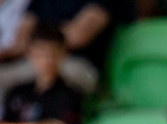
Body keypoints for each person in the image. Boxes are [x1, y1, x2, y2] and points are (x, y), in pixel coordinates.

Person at [0, 0, 131, 96]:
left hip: (77, 63)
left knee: (50, 74)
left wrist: (38, 38)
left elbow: (78, 36)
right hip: (32, 61)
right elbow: (21, 37)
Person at [0, 23, 84, 124]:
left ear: (63, 53)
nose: (46, 60)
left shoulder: (69, 95)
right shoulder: (17, 92)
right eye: (40, 53)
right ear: (30, 53)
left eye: (52, 53)